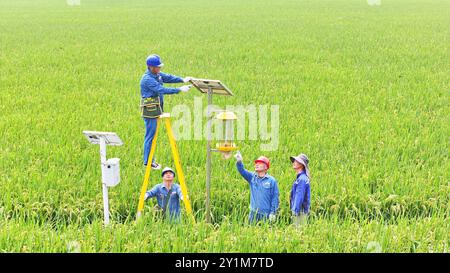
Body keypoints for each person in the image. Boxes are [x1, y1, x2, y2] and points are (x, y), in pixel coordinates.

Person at [140, 54, 193, 169]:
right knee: (150, 135)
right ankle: (147, 161)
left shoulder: (157, 74)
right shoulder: (147, 79)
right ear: (150, 67)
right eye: (157, 67)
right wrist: (179, 90)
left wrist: (182, 80)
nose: (160, 69)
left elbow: (168, 77)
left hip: (157, 108)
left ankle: (150, 160)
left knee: (152, 135)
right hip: (150, 110)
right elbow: (161, 89)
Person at [234, 151, 279, 224]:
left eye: (260, 163)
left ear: (266, 167)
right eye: (256, 163)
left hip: (265, 214)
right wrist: (239, 162)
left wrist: (273, 213)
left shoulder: (271, 181)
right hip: (253, 213)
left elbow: (275, 197)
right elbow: (242, 171)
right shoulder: (252, 177)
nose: (256, 165)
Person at [289, 153, 311, 227]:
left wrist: (295, 211)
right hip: (300, 211)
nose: (294, 162)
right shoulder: (301, 178)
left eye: (296, 161)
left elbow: (299, 196)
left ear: (301, 164)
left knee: (298, 233)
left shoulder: (301, 179)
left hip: (300, 212)